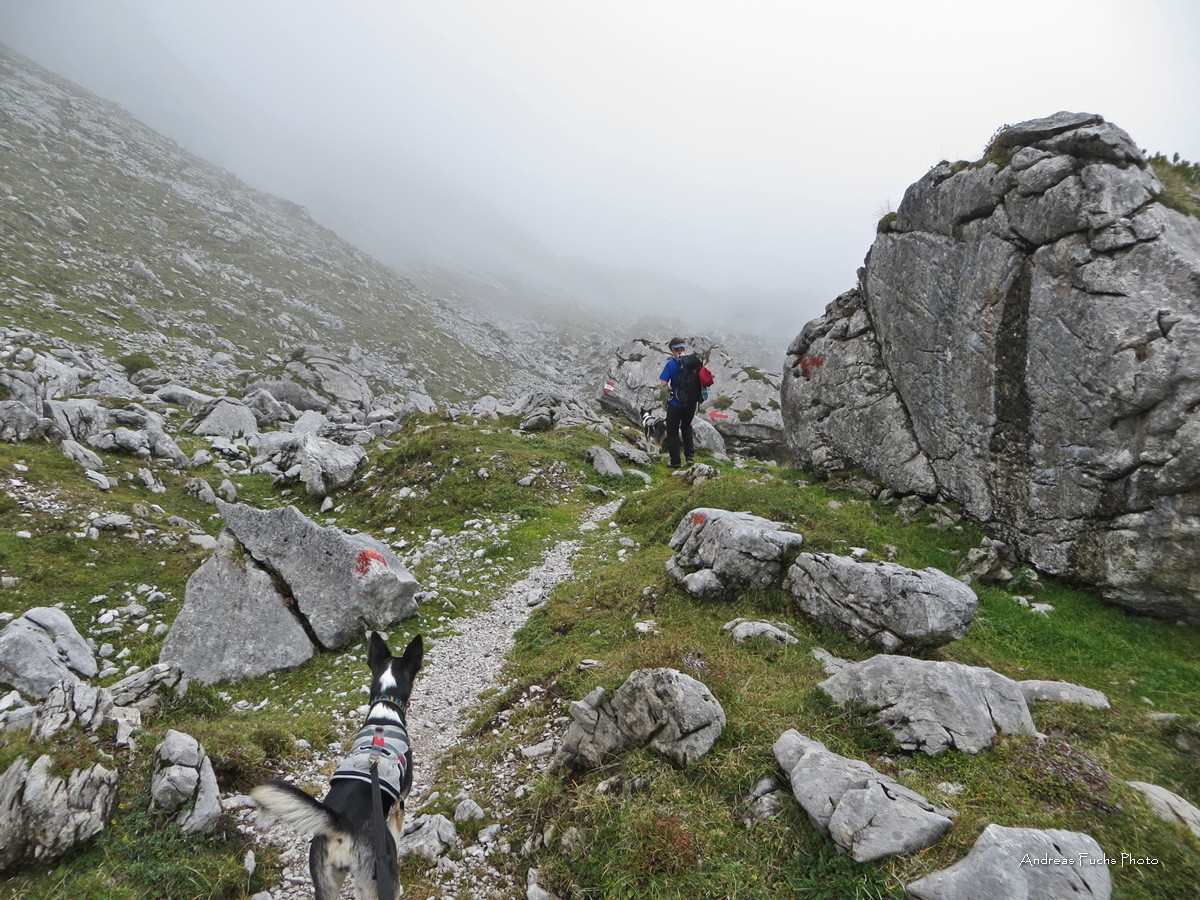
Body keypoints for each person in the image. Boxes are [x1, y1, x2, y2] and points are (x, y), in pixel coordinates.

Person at [658, 337, 697, 468]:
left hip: (675, 403)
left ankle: (675, 462)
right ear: (683, 348)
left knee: (672, 432)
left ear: (672, 350)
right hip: (691, 403)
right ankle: (690, 457)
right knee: (687, 428)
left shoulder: (671, 364)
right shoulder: (693, 362)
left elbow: (663, 384)